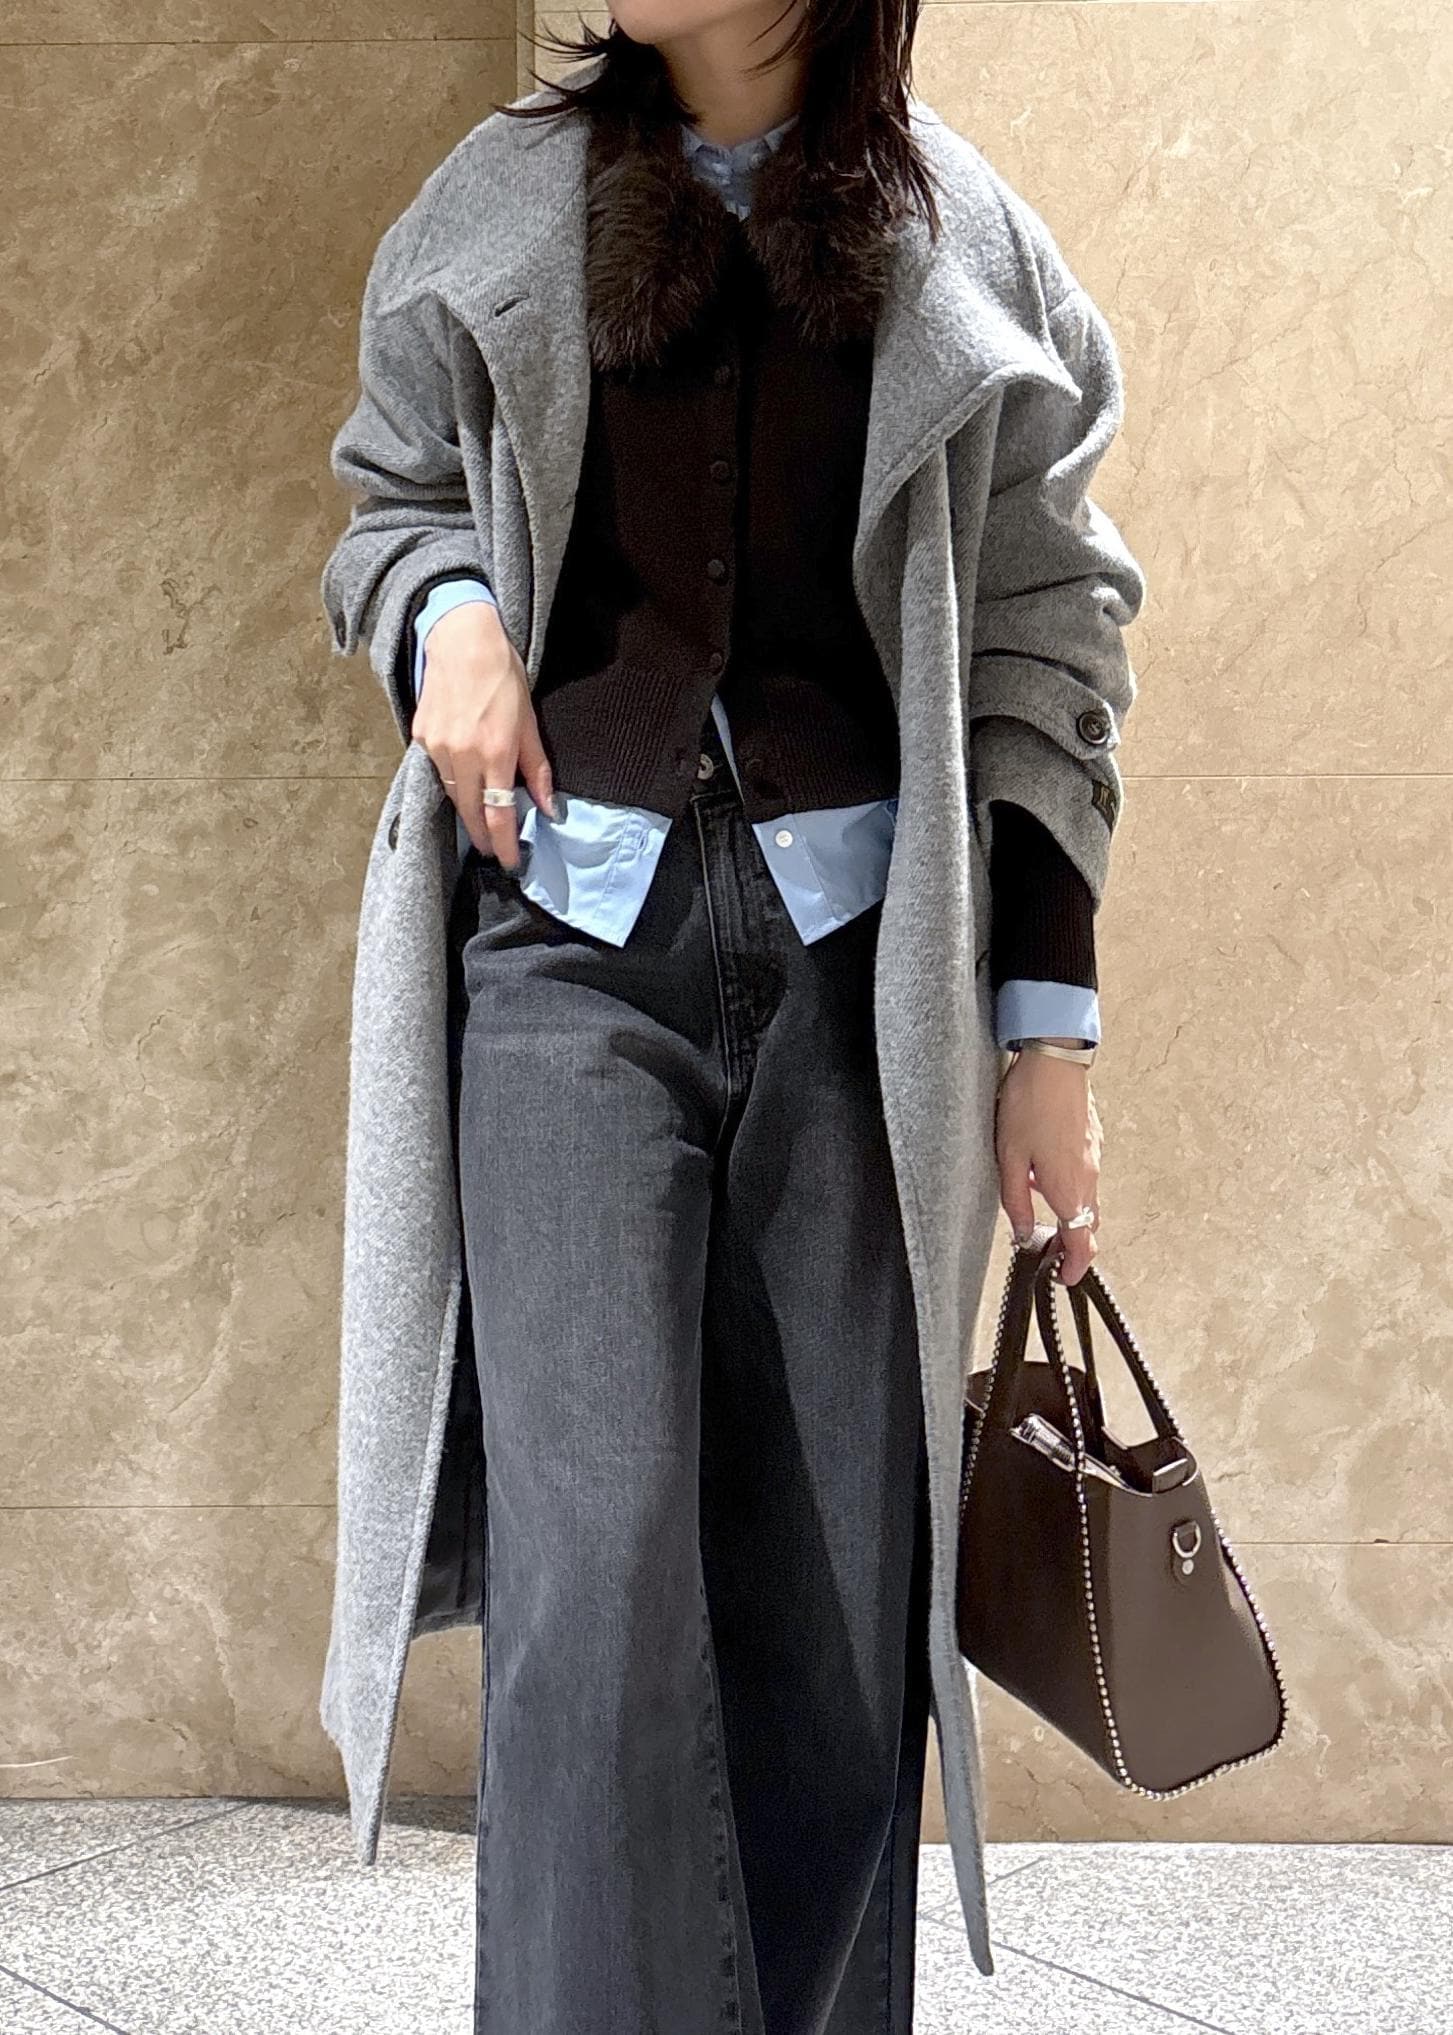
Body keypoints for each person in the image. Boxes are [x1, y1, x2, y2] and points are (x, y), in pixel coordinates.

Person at [318, 5, 1145, 2029]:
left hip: (867, 983)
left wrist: (1044, 1032)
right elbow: (386, 503)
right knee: (593, 1581)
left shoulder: (961, 236)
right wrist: (448, 616)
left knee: (837, 1601)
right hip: (562, 955)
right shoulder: (501, 197)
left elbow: (1047, 635)